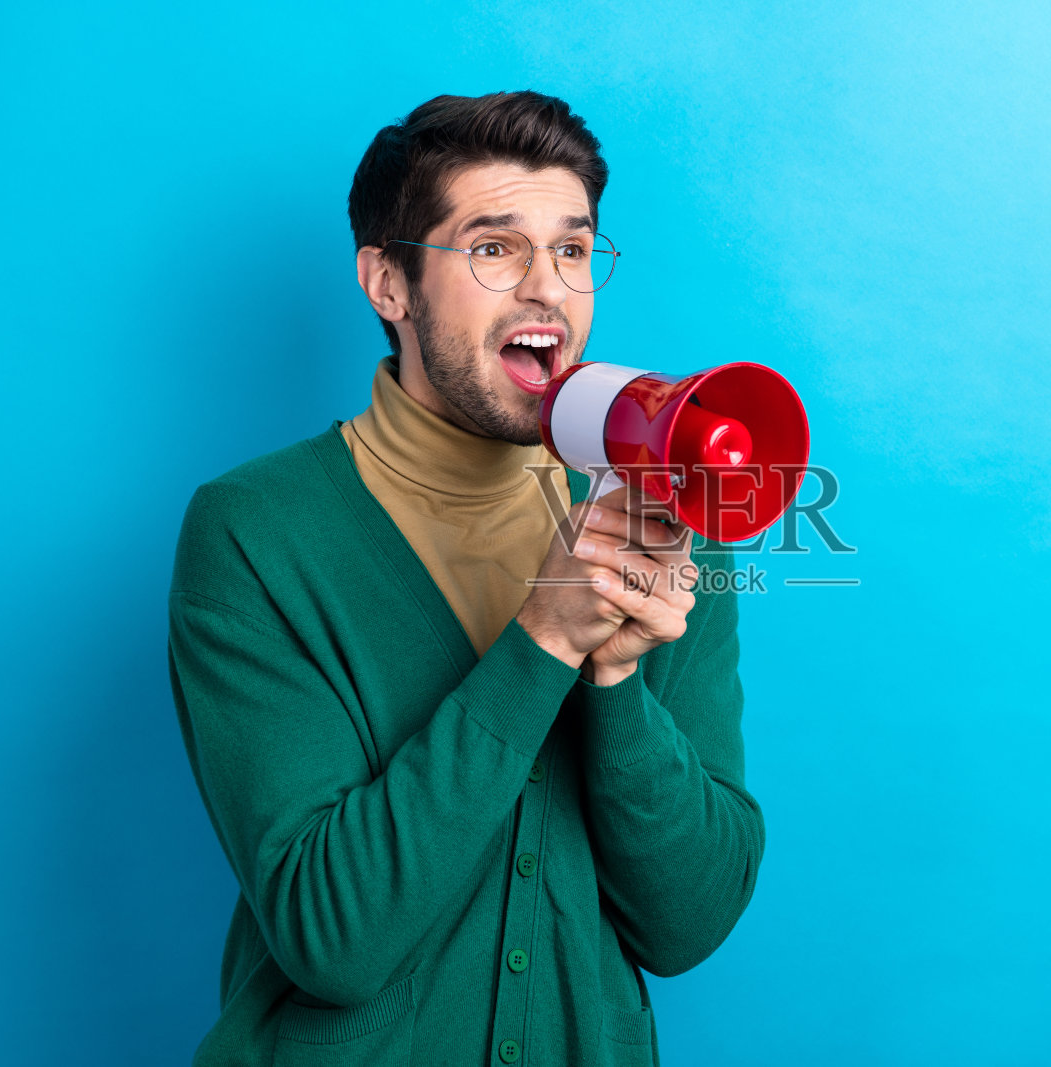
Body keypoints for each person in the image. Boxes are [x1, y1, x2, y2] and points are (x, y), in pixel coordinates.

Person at [166, 91, 764, 1066]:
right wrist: (544, 641)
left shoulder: (662, 520)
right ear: (388, 284)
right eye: (494, 248)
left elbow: (687, 923)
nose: (547, 290)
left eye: (572, 250)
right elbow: (334, 935)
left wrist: (612, 682)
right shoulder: (255, 530)